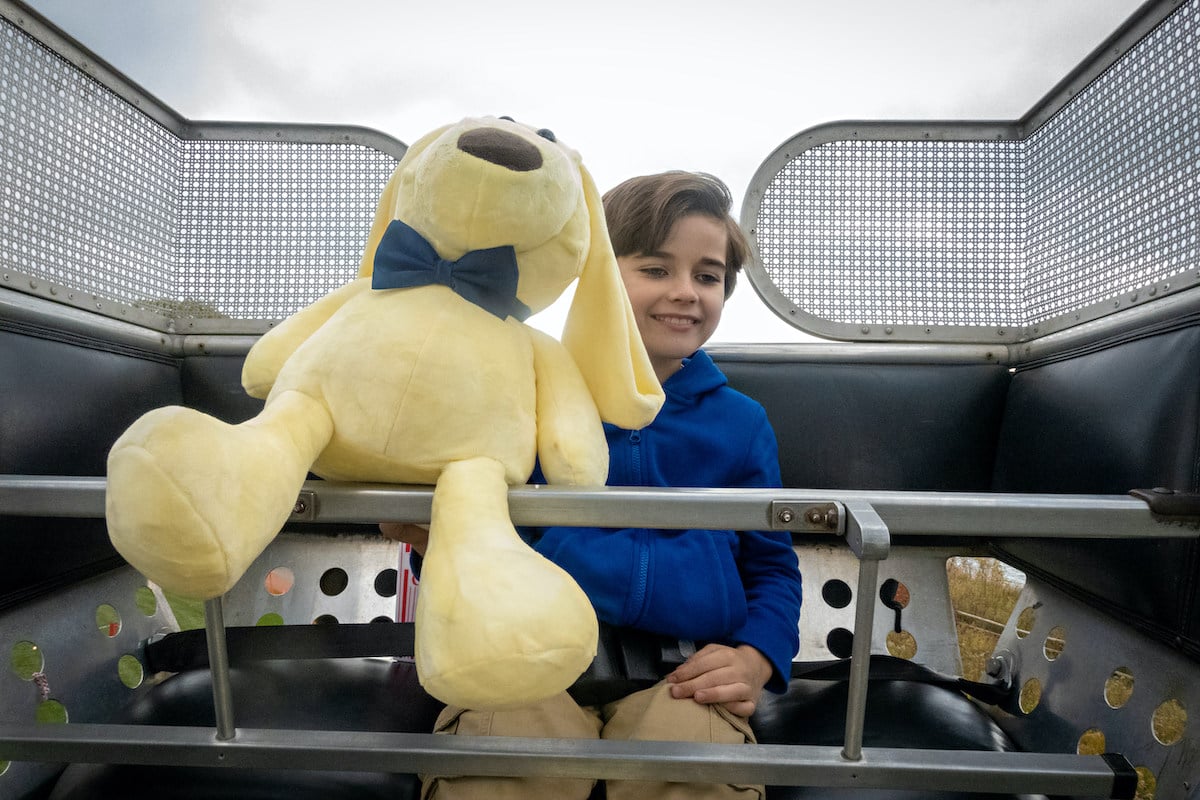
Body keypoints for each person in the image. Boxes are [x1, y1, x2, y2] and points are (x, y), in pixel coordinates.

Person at [381, 170, 802, 800]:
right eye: (656, 270)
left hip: (681, 671)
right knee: (506, 761)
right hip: (527, 657)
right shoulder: (524, 395)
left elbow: (772, 567)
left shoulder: (740, 424)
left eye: (707, 276)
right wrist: (424, 531)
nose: (686, 292)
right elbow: (470, 532)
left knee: (690, 770)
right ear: (598, 276)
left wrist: (755, 657)